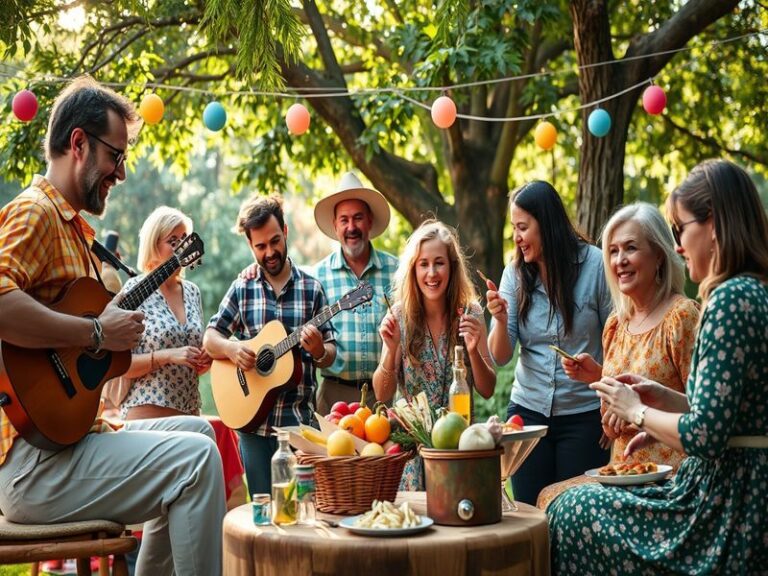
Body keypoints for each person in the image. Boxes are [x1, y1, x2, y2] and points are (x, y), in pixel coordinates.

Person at [0, 76, 225, 576]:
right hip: (33, 464)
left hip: (67, 441)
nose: (120, 173)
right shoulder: (36, 213)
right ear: (78, 143)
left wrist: (105, 337)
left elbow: (82, 348)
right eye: (115, 156)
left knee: (200, 434)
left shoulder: (75, 232)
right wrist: (97, 333)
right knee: (195, 463)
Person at [549, 159, 768, 574]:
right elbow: (726, 414)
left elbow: (706, 436)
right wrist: (661, 397)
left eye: (681, 228)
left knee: (573, 510)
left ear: (714, 224)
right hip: (738, 490)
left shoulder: (726, 299)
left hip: (724, 504)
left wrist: (638, 412)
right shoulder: (752, 291)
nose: (679, 245)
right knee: (564, 501)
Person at [536, 202, 700, 509]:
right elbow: (611, 426)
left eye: (630, 248)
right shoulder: (615, 325)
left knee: (564, 506)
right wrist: (599, 380)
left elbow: (703, 412)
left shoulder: (682, 317)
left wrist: (638, 411)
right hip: (621, 475)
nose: (620, 260)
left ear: (659, 255)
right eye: (613, 251)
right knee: (547, 498)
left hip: (670, 480)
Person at [486, 180, 612, 505]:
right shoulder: (514, 274)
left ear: (547, 223)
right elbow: (500, 356)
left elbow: (618, 338)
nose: (516, 237)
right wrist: (499, 319)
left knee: (576, 515)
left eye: (523, 227)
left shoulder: (596, 265)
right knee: (530, 515)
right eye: (514, 228)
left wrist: (611, 401)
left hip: (585, 416)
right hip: (528, 415)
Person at [204, 195, 337, 494]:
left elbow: (330, 353)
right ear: (250, 245)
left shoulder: (312, 289)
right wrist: (232, 349)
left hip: (299, 427)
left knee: (302, 509)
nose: (270, 252)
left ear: (285, 231)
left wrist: (318, 350)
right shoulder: (242, 287)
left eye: (275, 241)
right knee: (262, 509)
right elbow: (210, 338)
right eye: (260, 246)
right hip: (253, 426)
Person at [373, 220, 496, 490]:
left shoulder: (472, 313)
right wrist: (391, 350)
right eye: (423, 264)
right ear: (413, 269)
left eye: (439, 263)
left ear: (452, 266)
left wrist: (473, 351)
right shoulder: (399, 316)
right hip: (411, 452)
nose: (432, 273)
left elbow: (487, 389)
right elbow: (382, 394)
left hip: (460, 447)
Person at [312, 171, 398, 413]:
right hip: (332, 397)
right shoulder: (317, 276)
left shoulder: (397, 271)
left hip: (383, 396)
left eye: (358, 218)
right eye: (344, 220)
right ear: (335, 226)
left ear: (369, 221)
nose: (351, 227)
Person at [119, 206, 211, 420]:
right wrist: (168, 356)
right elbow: (120, 366)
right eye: (173, 241)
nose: (181, 248)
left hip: (190, 412)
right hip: (147, 411)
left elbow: (192, 364)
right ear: (154, 245)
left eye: (184, 239)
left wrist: (204, 360)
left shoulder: (192, 292)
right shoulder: (133, 291)